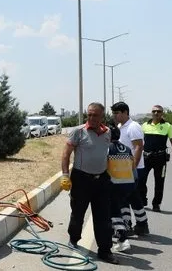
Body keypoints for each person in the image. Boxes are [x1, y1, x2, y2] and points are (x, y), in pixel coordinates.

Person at [60, 102, 119, 264]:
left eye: (95, 115)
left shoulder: (107, 133)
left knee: (103, 217)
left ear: (102, 116)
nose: (92, 118)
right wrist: (65, 175)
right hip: (81, 179)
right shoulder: (78, 132)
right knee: (78, 213)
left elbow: (108, 155)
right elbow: (65, 155)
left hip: (102, 180)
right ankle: (73, 239)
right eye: (89, 115)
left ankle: (105, 251)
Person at [110, 102, 149, 236]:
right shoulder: (121, 127)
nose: (115, 116)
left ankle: (142, 224)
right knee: (123, 198)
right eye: (114, 113)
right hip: (124, 170)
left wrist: (133, 167)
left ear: (125, 112)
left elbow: (138, 147)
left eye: (117, 113)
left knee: (134, 198)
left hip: (134, 169)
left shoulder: (133, 127)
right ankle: (127, 224)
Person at [140, 104, 172, 212]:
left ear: (162, 113)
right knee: (141, 180)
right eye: (154, 111)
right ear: (151, 113)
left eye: (159, 111)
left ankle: (156, 204)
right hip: (146, 158)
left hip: (160, 159)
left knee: (159, 182)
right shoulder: (144, 125)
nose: (156, 113)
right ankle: (143, 199)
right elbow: (139, 141)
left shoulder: (167, 126)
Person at [106, 124, 136, 252]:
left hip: (114, 185)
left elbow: (103, 165)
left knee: (113, 212)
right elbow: (133, 166)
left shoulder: (108, 149)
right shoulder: (127, 148)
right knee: (122, 207)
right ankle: (123, 228)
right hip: (128, 185)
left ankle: (123, 238)